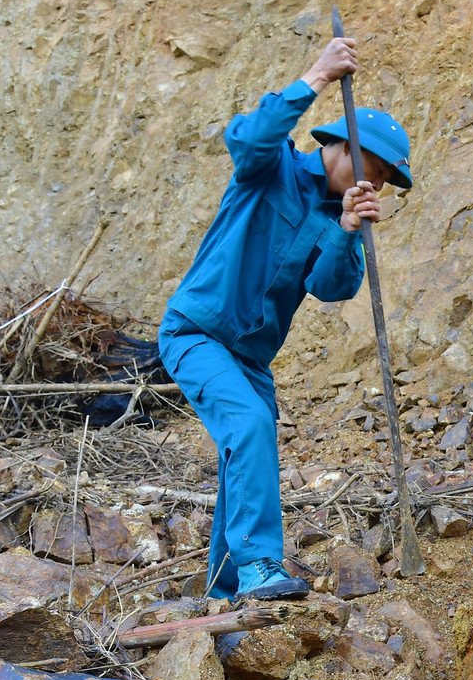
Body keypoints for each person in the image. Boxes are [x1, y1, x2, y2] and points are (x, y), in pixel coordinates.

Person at [157, 36, 413, 602]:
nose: (378, 186)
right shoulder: (271, 168)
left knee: (248, 446)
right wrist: (317, 75)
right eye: (378, 170)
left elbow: (331, 287)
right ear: (345, 147)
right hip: (196, 332)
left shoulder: (337, 215)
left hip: (251, 359)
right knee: (248, 424)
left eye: (386, 182)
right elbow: (247, 137)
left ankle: (226, 589)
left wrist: (347, 231)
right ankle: (258, 567)